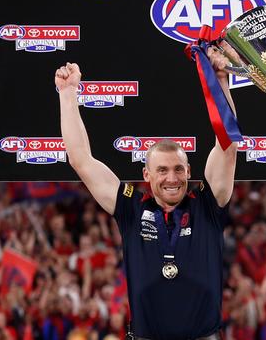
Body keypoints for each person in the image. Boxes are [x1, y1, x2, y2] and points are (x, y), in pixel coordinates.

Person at [54, 48, 238, 340]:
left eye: (179, 169)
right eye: (162, 170)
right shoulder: (131, 208)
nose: (171, 178)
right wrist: (67, 95)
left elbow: (228, 145)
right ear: (146, 175)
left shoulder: (208, 204)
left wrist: (220, 82)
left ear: (189, 172)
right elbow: (80, 159)